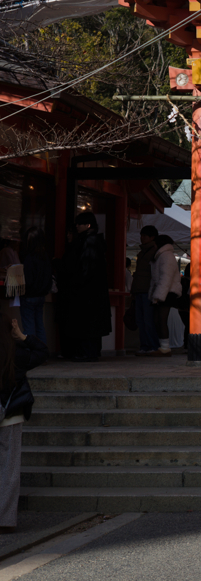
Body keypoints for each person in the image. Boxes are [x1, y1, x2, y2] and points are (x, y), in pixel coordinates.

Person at [1, 318, 48, 532]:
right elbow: (42, 352)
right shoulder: (16, 354)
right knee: (9, 470)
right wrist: (21, 336)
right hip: (10, 414)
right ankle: (5, 519)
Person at [62, 212, 111, 362]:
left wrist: (75, 281)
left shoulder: (88, 242)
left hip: (86, 292)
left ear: (87, 225)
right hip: (95, 292)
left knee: (85, 323)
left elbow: (86, 268)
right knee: (92, 325)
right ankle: (92, 352)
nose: (77, 226)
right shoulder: (96, 241)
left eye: (79, 223)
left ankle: (86, 352)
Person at [148, 235, 182, 356]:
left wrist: (158, 295)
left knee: (161, 320)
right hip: (164, 291)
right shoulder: (163, 256)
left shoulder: (165, 256)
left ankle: (165, 347)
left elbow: (166, 278)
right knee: (158, 320)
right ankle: (163, 347)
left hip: (166, 292)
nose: (153, 246)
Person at [18, 227, 51, 345]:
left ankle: (31, 352)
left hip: (29, 296)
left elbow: (28, 280)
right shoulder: (44, 257)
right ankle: (41, 352)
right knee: (39, 326)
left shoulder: (29, 258)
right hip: (41, 295)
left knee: (29, 328)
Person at [132, 225, 159, 356]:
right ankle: (146, 345)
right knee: (142, 320)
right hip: (141, 289)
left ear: (152, 237)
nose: (142, 238)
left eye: (144, 236)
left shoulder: (153, 252)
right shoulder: (145, 252)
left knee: (147, 320)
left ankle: (151, 345)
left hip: (147, 290)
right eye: (141, 235)